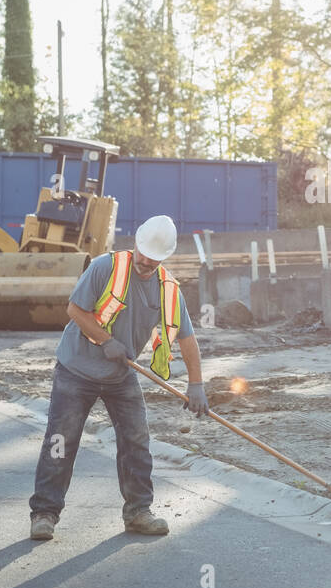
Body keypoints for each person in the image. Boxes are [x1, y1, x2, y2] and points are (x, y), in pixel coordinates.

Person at [28, 214, 208, 540]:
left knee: (136, 441)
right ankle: (44, 513)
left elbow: (187, 339)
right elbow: (74, 310)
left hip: (120, 374)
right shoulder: (104, 267)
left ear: (163, 258)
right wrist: (105, 340)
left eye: (151, 260)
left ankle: (139, 511)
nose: (143, 262)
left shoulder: (168, 290)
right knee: (61, 440)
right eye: (141, 254)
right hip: (76, 369)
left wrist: (196, 384)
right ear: (135, 244)